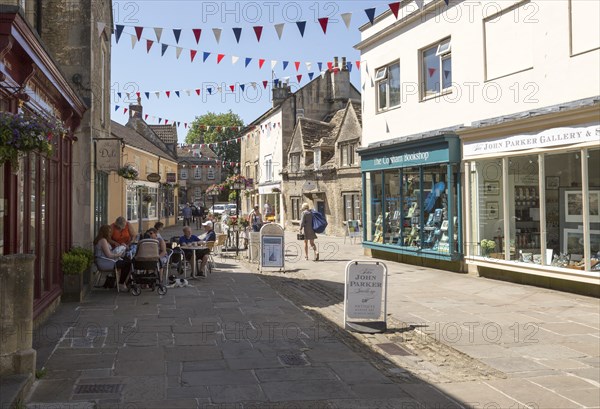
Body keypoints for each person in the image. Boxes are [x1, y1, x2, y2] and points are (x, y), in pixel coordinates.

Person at [94, 224, 131, 291]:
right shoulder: (103, 241)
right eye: (109, 231)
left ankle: (123, 282)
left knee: (127, 260)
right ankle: (121, 283)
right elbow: (109, 255)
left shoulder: (103, 240)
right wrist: (118, 255)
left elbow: (109, 253)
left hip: (107, 261)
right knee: (127, 264)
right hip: (105, 263)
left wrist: (119, 248)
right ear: (105, 232)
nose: (111, 233)